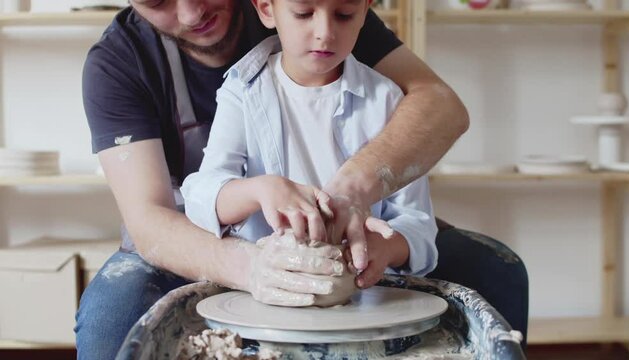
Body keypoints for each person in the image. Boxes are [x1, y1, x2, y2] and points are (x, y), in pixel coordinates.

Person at [75, 1, 526, 359]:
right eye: (158, 0)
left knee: (495, 269)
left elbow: (440, 107)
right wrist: (254, 267)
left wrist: (355, 195)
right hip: (204, 238)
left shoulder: (326, 15)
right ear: (267, 9)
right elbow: (151, 218)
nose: (192, 12)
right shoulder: (124, 62)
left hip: (363, 229)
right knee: (110, 315)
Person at [180, 0, 439, 304]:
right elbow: (201, 196)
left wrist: (384, 246)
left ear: (365, 11)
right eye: (303, 13)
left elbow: (418, 226)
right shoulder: (243, 92)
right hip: (267, 292)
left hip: (362, 297)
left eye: (344, 15)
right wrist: (260, 190)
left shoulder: (386, 100)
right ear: (266, 9)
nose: (325, 33)